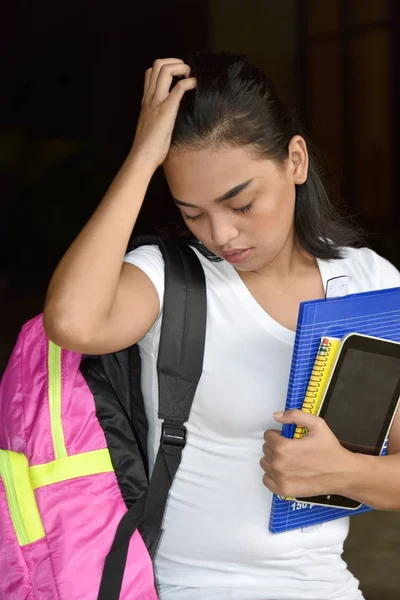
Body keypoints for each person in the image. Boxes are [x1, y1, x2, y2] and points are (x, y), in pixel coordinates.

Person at [43, 52, 400, 600]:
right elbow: (72, 322)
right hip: (188, 585)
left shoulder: (369, 281)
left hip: (323, 585)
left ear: (296, 160)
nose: (222, 234)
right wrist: (143, 156)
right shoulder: (171, 280)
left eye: (242, 203)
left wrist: (342, 472)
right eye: (193, 213)